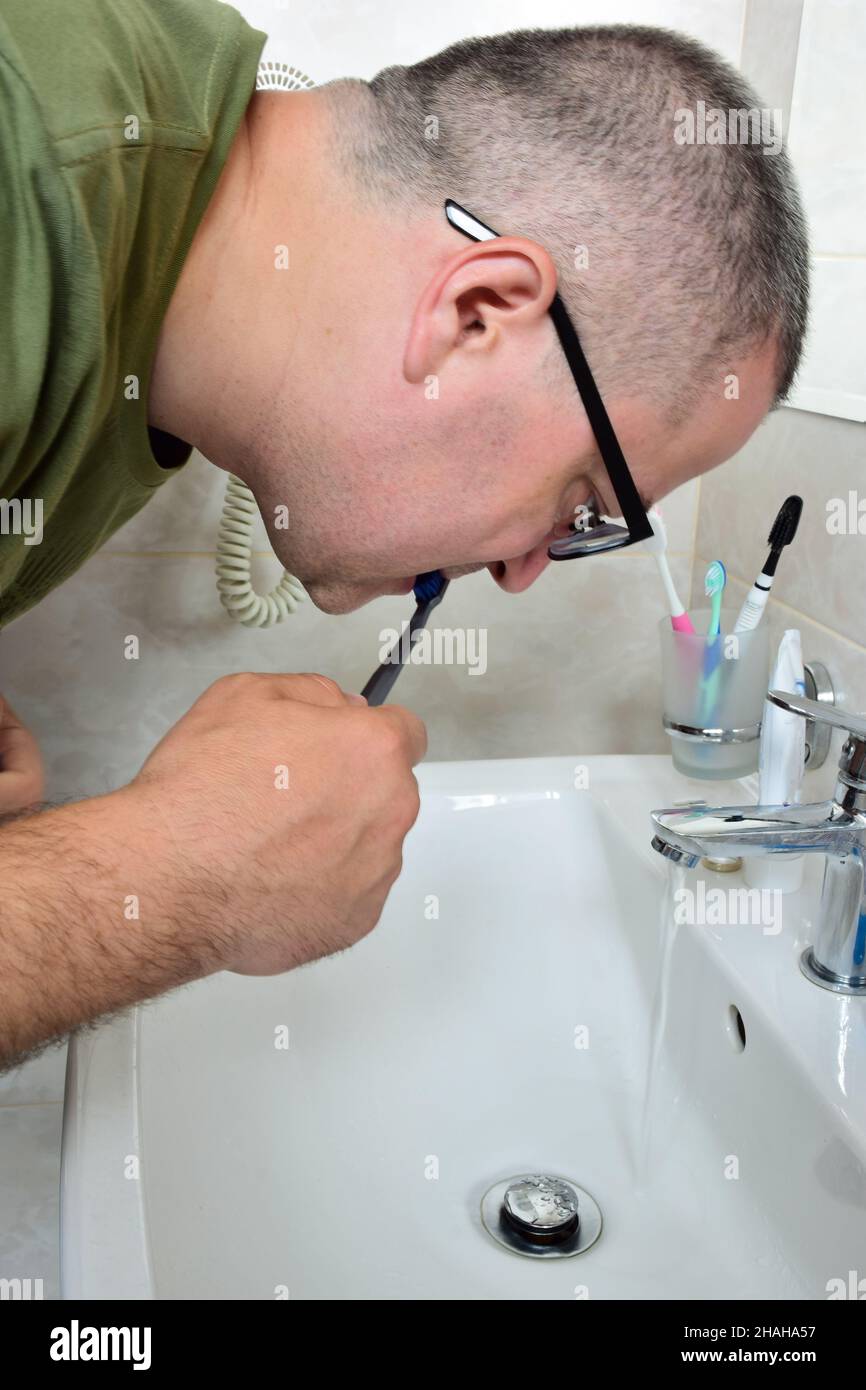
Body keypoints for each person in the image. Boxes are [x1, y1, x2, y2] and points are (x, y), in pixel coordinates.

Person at [0, 1, 809, 1070]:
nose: (523, 574)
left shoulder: (135, 284)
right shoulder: (34, 171)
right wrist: (180, 869)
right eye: (581, 505)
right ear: (475, 313)